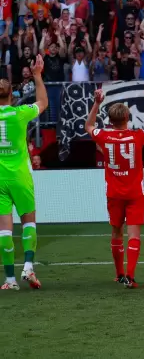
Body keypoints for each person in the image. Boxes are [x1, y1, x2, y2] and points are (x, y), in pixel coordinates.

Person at [84, 83, 144, 288]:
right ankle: (130, 276)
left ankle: (119, 274)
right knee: (134, 235)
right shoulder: (138, 136)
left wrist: (96, 103)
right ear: (128, 118)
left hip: (114, 193)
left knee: (116, 232)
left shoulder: (104, 136)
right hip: (135, 193)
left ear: (110, 120)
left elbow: (88, 127)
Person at [0, 55, 46, 291]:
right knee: (28, 221)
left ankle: (9, 280)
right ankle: (28, 266)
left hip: (0, 179)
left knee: (4, 229)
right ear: (12, 96)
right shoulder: (20, 113)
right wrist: (37, 76)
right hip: (20, 176)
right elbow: (43, 103)